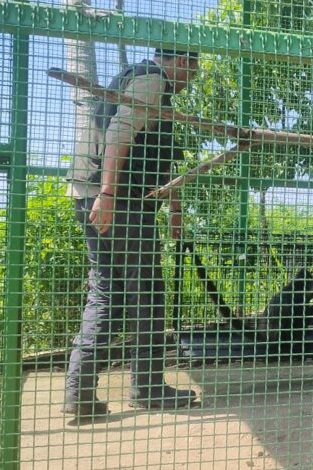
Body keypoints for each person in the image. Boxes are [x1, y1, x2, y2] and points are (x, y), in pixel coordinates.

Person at [63, 47, 200, 417]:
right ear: (182, 62)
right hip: (116, 199)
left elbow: (160, 155)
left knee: (107, 291)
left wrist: (174, 209)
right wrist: (108, 193)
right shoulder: (152, 81)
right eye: (195, 67)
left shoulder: (137, 79)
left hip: (94, 194)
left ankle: (79, 391)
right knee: (147, 293)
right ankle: (148, 387)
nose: (195, 75)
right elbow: (119, 134)